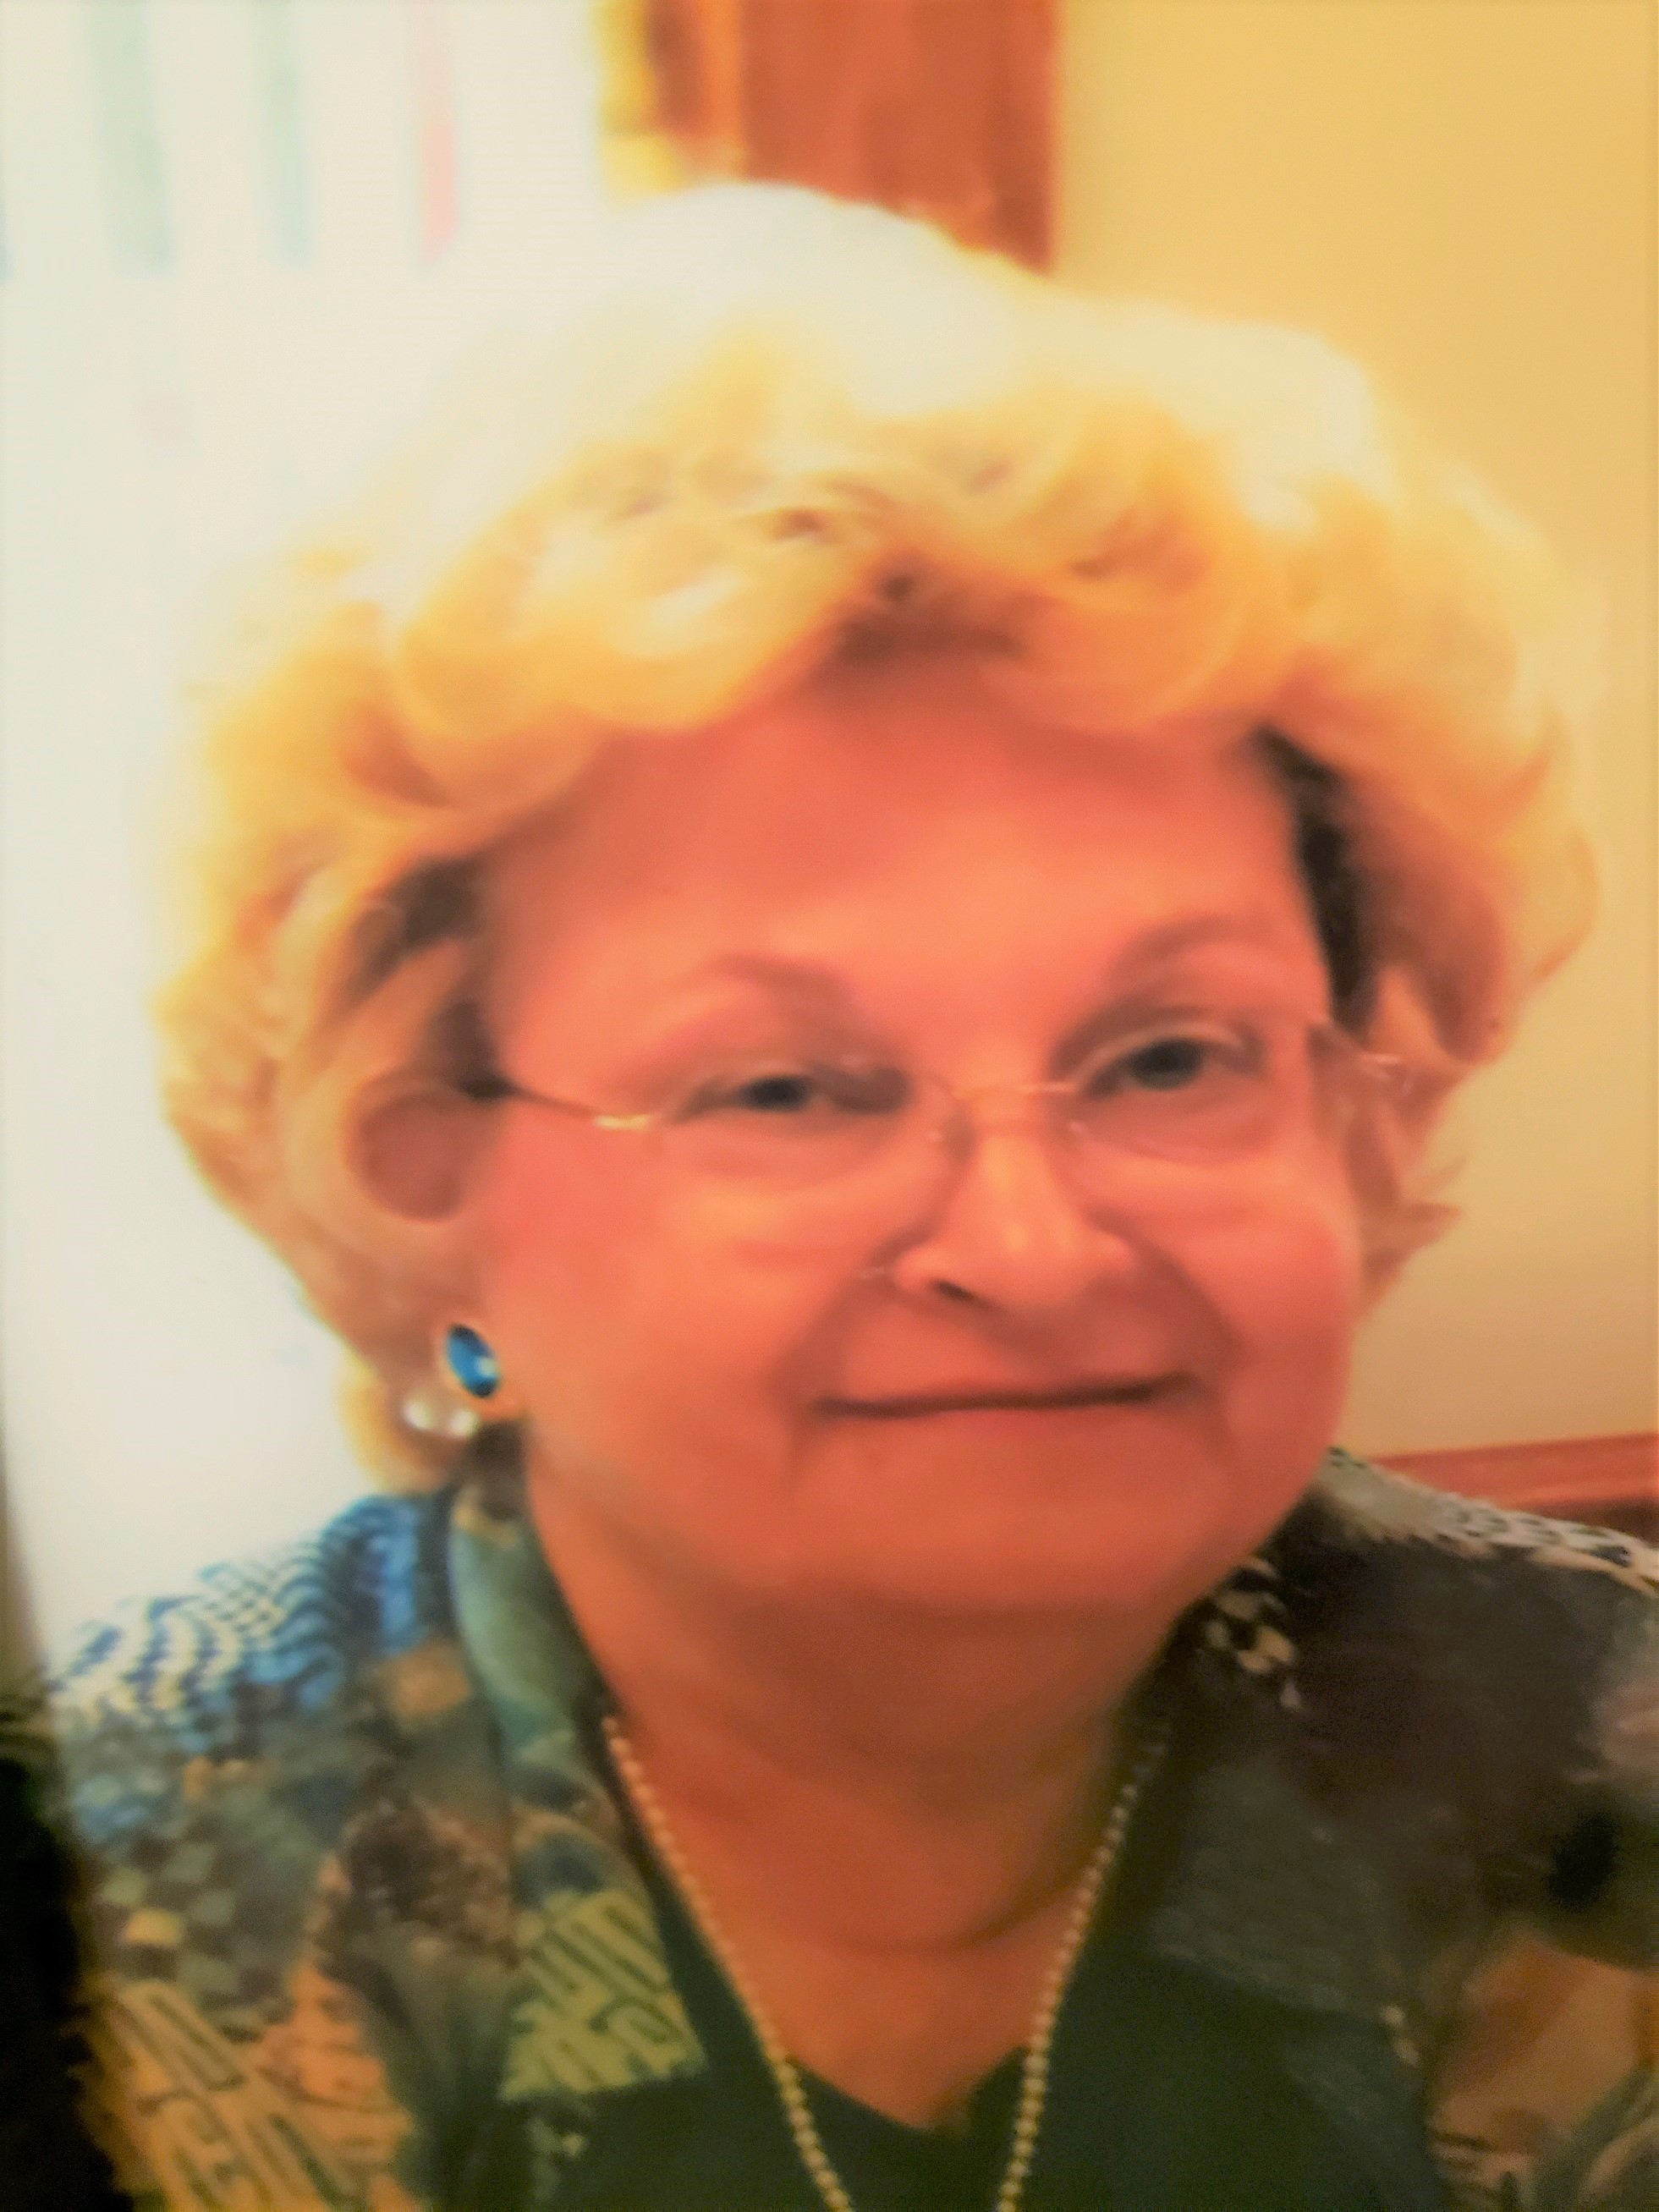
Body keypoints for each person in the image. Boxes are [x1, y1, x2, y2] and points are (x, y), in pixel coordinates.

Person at [20, 185, 1656, 2211]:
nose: (1029, 1249)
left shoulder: (1607, 1736)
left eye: (1169, 1057)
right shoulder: (117, 1904)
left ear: (1353, 1110)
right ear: (422, 1169)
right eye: (785, 1088)